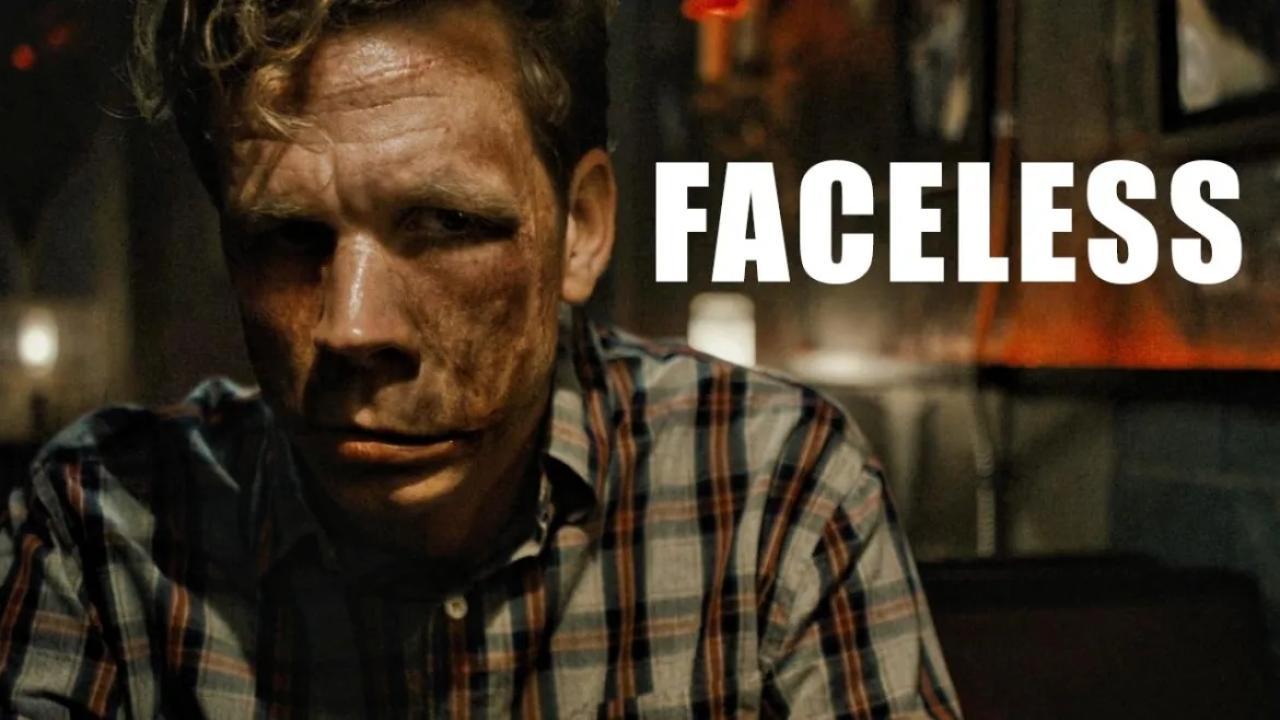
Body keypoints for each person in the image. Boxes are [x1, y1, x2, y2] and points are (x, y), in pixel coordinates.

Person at [0, 0, 961, 716]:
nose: (353, 329)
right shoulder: (106, 528)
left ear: (581, 228)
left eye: (446, 224)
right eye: (288, 237)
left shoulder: (772, 491)